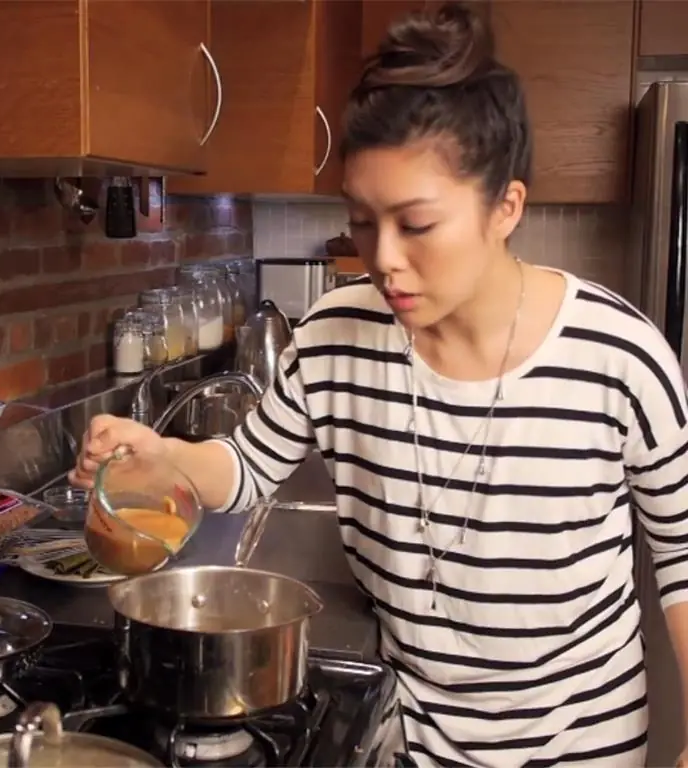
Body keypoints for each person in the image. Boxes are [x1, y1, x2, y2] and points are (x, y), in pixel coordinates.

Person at [71, 4, 688, 765]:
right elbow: (248, 469)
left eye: (416, 224)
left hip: (582, 745)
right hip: (407, 736)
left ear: (506, 207)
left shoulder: (619, 356)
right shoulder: (331, 336)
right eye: (362, 221)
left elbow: (683, 558)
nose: (383, 258)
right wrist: (163, 455)